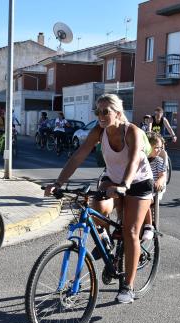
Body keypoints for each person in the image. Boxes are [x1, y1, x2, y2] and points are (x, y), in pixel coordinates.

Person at [44, 93, 153, 304]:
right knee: (97, 208)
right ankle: (105, 242)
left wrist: (125, 186)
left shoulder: (132, 131)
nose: (100, 115)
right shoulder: (99, 131)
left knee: (131, 231)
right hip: (112, 179)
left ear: (118, 113)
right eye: (97, 111)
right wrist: (58, 183)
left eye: (105, 112)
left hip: (137, 182)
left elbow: (132, 162)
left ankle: (128, 286)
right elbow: (78, 155)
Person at [141, 134, 167, 241]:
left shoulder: (158, 161)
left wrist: (159, 182)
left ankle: (149, 225)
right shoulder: (142, 158)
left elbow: (163, 175)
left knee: (145, 199)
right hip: (142, 187)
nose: (159, 150)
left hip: (154, 189)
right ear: (147, 146)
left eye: (161, 148)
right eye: (157, 147)